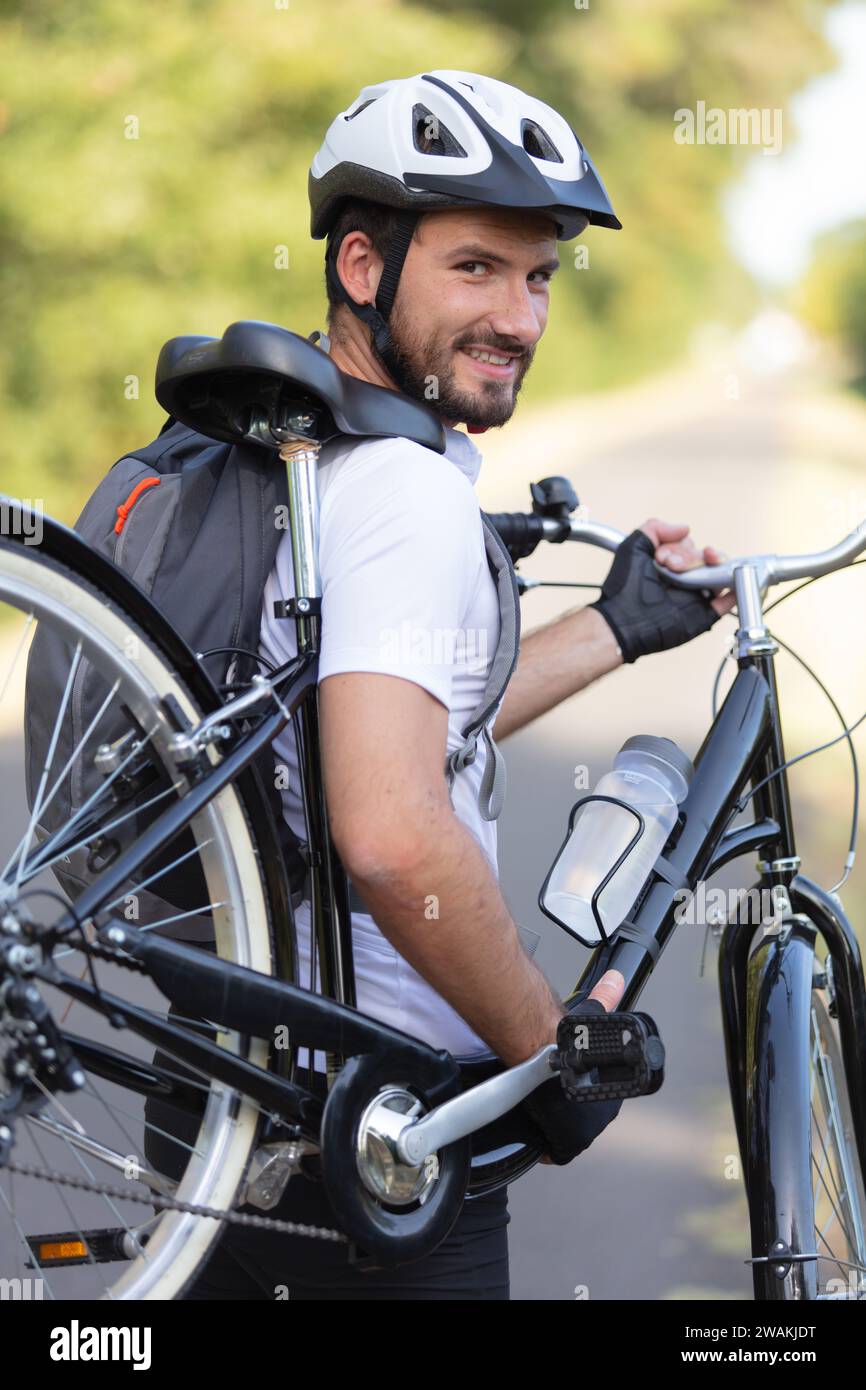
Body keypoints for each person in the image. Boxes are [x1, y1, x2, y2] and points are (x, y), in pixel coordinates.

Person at [170, 68, 734, 1300]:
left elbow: (364, 728)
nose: (522, 319)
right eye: (475, 267)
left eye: (536, 278)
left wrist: (617, 627)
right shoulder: (407, 490)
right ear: (364, 266)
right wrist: (550, 1050)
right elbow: (388, 830)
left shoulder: (272, 450)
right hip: (381, 1143)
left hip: (217, 1114)